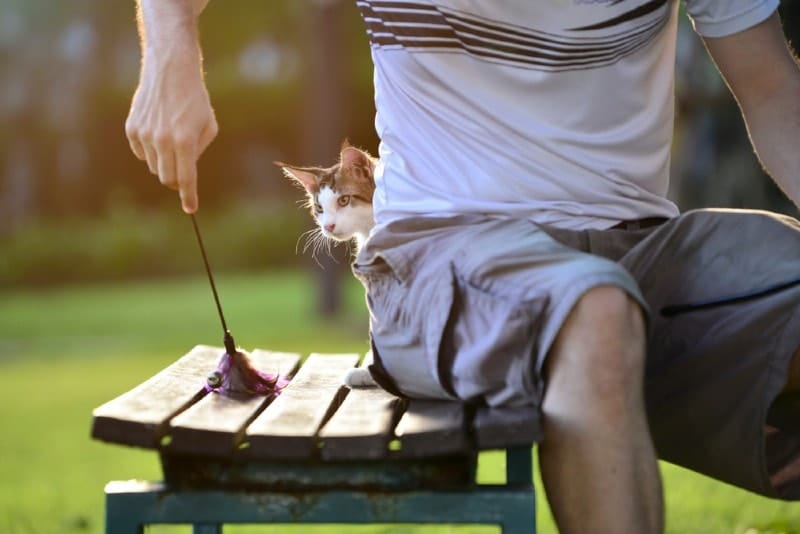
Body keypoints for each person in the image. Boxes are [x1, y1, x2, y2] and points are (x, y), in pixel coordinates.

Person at [125, 1, 800, 532]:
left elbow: (773, 92)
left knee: (609, 297)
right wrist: (170, 56)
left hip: (644, 248)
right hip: (441, 249)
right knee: (590, 309)